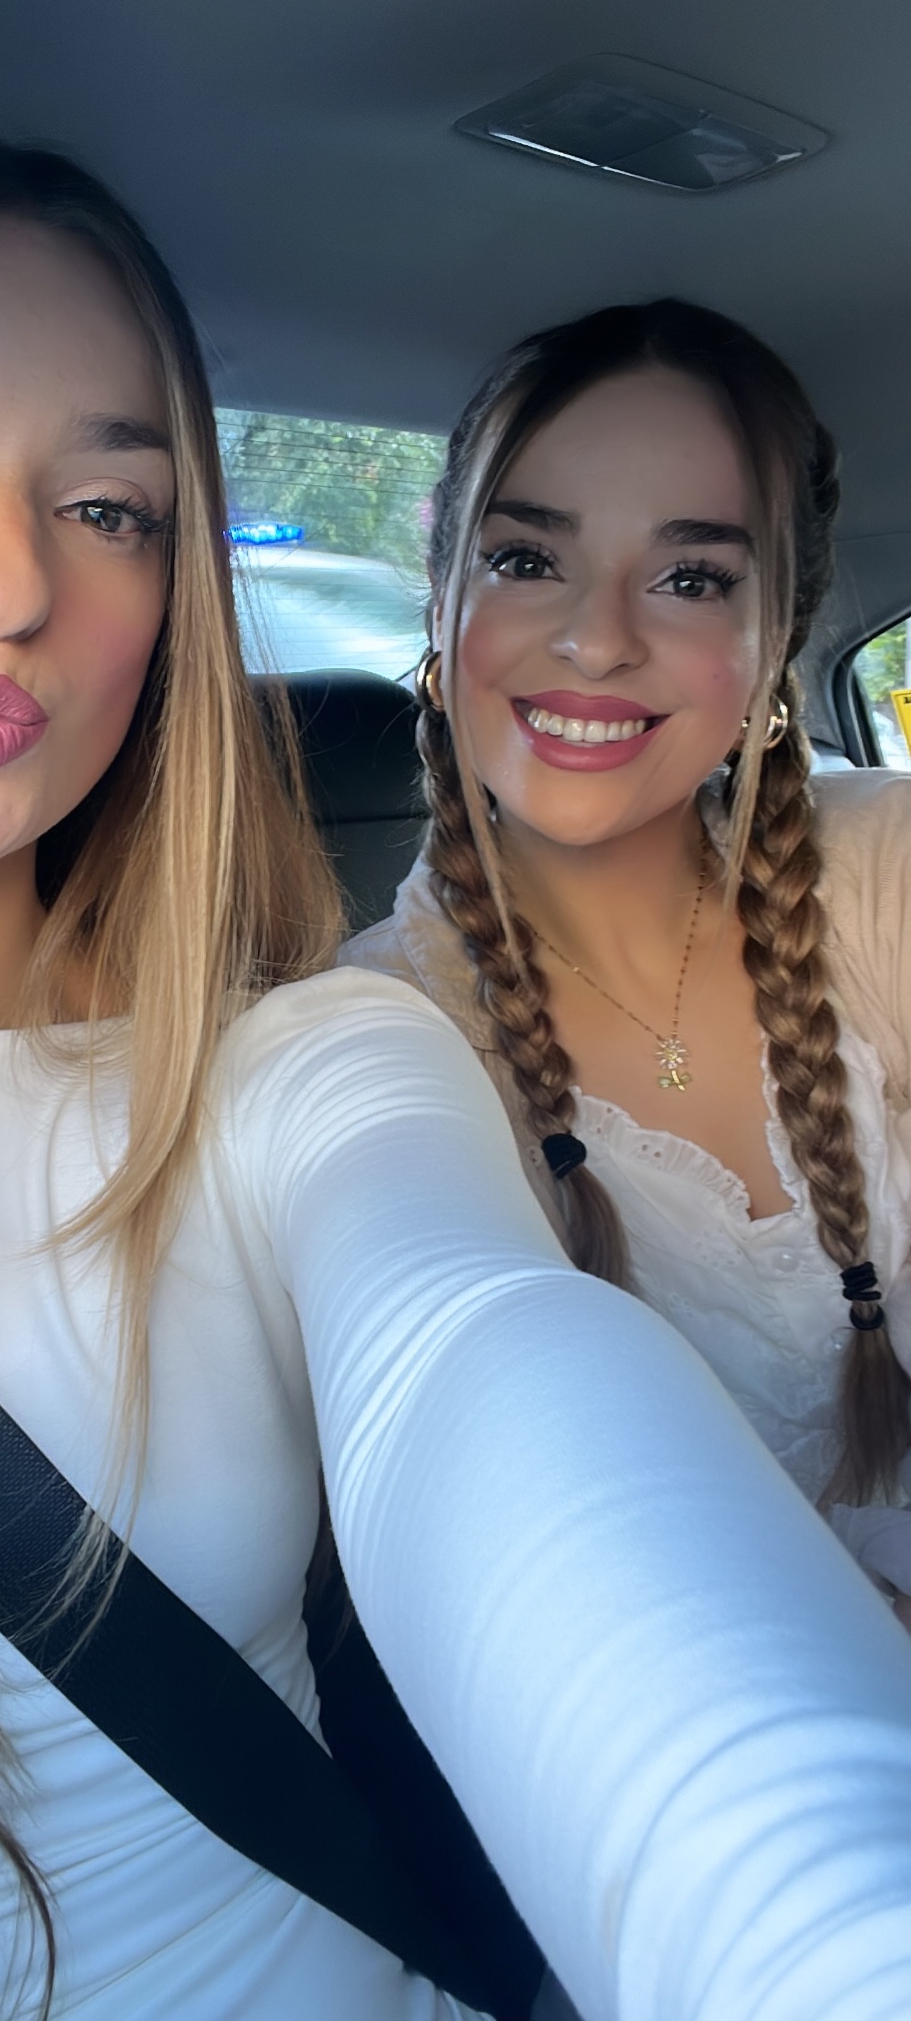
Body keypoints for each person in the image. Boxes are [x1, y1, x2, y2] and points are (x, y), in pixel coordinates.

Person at [0, 146, 911, 2021]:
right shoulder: (415, 994)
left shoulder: (304, 1061)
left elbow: (476, 1355)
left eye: (111, 507)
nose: (9, 580)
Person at [342, 298, 911, 1626]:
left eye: (691, 577)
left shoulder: (882, 868)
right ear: (444, 603)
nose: (598, 639)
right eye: (526, 558)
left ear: (776, 642)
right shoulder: (372, 1039)